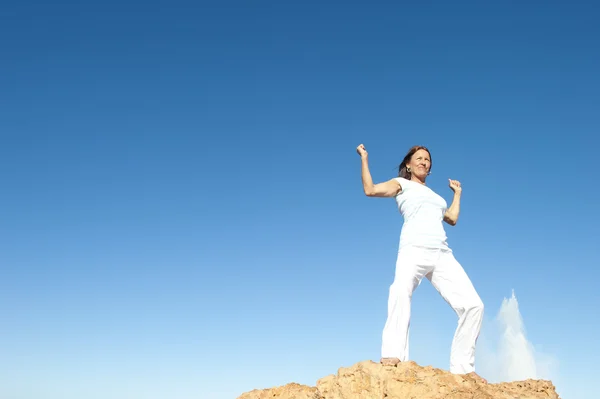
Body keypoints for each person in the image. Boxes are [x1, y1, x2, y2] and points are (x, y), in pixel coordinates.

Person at [356, 143, 487, 383]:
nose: (424, 162)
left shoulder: (436, 198)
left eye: (427, 159)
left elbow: (452, 218)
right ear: (408, 164)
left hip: (441, 253)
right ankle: (393, 355)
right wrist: (364, 158)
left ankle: (463, 369)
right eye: (419, 158)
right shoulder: (401, 184)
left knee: (474, 305)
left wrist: (457, 195)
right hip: (413, 249)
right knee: (400, 291)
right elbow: (370, 189)